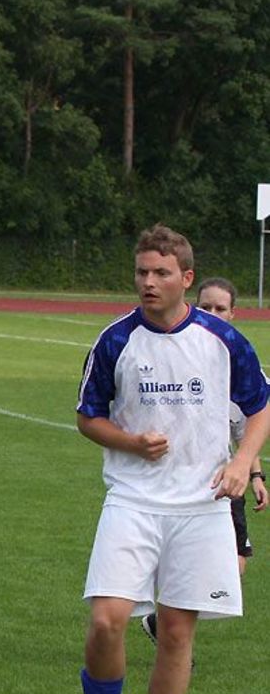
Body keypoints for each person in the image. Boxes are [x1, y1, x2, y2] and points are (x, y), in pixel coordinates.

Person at [70, 226, 270, 694]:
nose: (148, 282)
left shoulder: (222, 340)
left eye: (161, 273)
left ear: (186, 278)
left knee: (178, 633)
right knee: (108, 618)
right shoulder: (115, 340)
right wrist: (130, 443)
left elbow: (260, 408)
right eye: (141, 272)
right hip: (132, 499)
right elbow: (88, 417)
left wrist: (243, 462)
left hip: (202, 504)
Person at [137, 275, 265, 650]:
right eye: (205, 306)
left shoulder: (239, 362)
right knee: (193, 565)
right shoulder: (180, 354)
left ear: (233, 314)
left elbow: (246, 426)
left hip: (224, 482)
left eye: (220, 308)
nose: (212, 313)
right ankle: (173, 634)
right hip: (172, 482)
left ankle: (164, 623)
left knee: (235, 565)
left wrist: (255, 473)